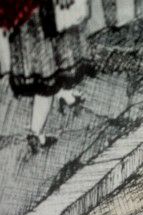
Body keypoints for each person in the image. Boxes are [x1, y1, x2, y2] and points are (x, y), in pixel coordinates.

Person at [1, 0, 92, 152]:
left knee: (54, 55)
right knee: (46, 73)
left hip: (27, 13)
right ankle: (36, 134)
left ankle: (62, 92)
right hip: (38, 14)